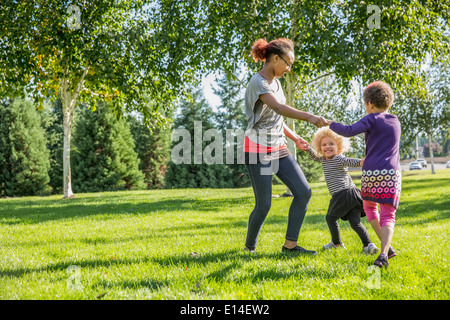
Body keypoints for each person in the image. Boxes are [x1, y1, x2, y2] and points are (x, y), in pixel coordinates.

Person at [243, 38, 327, 255]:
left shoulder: (277, 83)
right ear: (276, 58)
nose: (288, 69)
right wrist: (310, 117)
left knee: (303, 191)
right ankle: (249, 248)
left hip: (278, 147)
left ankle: (290, 246)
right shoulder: (258, 82)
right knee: (264, 205)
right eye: (287, 64)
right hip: (258, 151)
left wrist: (295, 137)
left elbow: (275, 120)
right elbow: (279, 108)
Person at [327, 81, 400, 268]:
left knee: (369, 208)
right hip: (391, 173)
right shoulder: (395, 121)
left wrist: (329, 123)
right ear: (388, 102)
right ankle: (385, 251)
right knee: (388, 214)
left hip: (370, 173)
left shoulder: (371, 118)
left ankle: (386, 250)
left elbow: (348, 131)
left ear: (369, 104)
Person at [304, 127, 378, 254]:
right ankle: (368, 245)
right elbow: (316, 157)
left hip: (342, 194)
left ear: (339, 147)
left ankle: (337, 244)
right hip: (353, 195)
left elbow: (351, 162)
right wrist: (307, 148)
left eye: (331, 144)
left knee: (330, 218)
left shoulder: (338, 158)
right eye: (324, 145)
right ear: (320, 147)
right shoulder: (323, 160)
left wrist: (362, 162)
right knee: (355, 222)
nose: (327, 147)